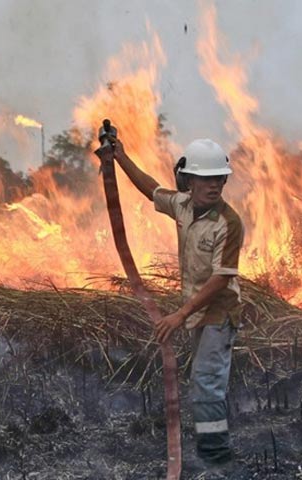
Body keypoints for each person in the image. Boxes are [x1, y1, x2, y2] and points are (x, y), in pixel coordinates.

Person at [96, 137, 244, 466]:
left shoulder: (228, 223)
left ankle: (216, 457)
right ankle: (212, 447)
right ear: (188, 181)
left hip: (218, 311)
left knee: (207, 380)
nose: (214, 185)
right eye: (206, 178)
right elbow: (150, 189)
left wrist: (179, 315)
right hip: (195, 309)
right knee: (206, 379)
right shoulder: (182, 205)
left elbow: (221, 279)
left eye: (219, 178)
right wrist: (120, 156)